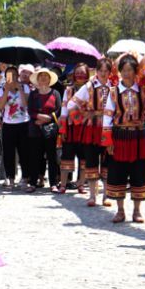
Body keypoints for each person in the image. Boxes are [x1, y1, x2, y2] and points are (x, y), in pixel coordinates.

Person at [102, 55, 145, 223]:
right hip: (120, 136)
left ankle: (137, 211)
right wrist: (108, 141)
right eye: (124, 70)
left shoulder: (144, 91)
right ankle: (120, 210)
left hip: (139, 135)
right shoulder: (114, 92)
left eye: (130, 70)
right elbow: (107, 116)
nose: (127, 74)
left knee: (139, 172)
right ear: (120, 72)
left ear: (135, 72)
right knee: (118, 172)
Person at [74, 58, 114, 207]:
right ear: (96, 71)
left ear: (110, 73)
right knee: (91, 161)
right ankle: (92, 196)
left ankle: (106, 195)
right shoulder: (88, 87)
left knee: (107, 162)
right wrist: (85, 115)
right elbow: (73, 103)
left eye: (106, 71)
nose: (103, 74)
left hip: (108, 129)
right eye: (101, 71)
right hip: (91, 129)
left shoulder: (114, 88)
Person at [55, 65, 89, 195]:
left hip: (85, 126)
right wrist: (62, 129)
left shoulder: (90, 89)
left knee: (84, 157)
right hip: (70, 127)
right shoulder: (68, 90)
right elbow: (64, 109)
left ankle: (81, 184)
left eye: (83, 73)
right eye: (78, 73)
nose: (80, 76)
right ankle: (63, 184)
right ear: (74, 75)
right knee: (67, 156)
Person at [26, 68, 61, 193]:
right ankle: (33, 183)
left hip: (50, 129)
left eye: (46, 76)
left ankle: (53, 183)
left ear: (50, 79)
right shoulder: (33, 94)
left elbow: (58, 110)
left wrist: (48, 118)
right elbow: (30, 110)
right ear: (38, 79)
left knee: (52, 157)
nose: (44, 78)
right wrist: (39, 117)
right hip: (35, 129)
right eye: (41, 76)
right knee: (35, 156)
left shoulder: (55, 93)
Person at [0, 66, 31, 189]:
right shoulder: (1, 89)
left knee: (24, 152)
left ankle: (25, 177)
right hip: (8, 124)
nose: (12, 77)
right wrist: (7, 90)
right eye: (9, 75)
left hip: (23, 122)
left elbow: (27, 104)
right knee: (8, 153)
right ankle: (10, 178)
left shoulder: (25, 87)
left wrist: (20, 89)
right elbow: (0, 106)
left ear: (18, 75)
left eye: (14, 75)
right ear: (6, 77)